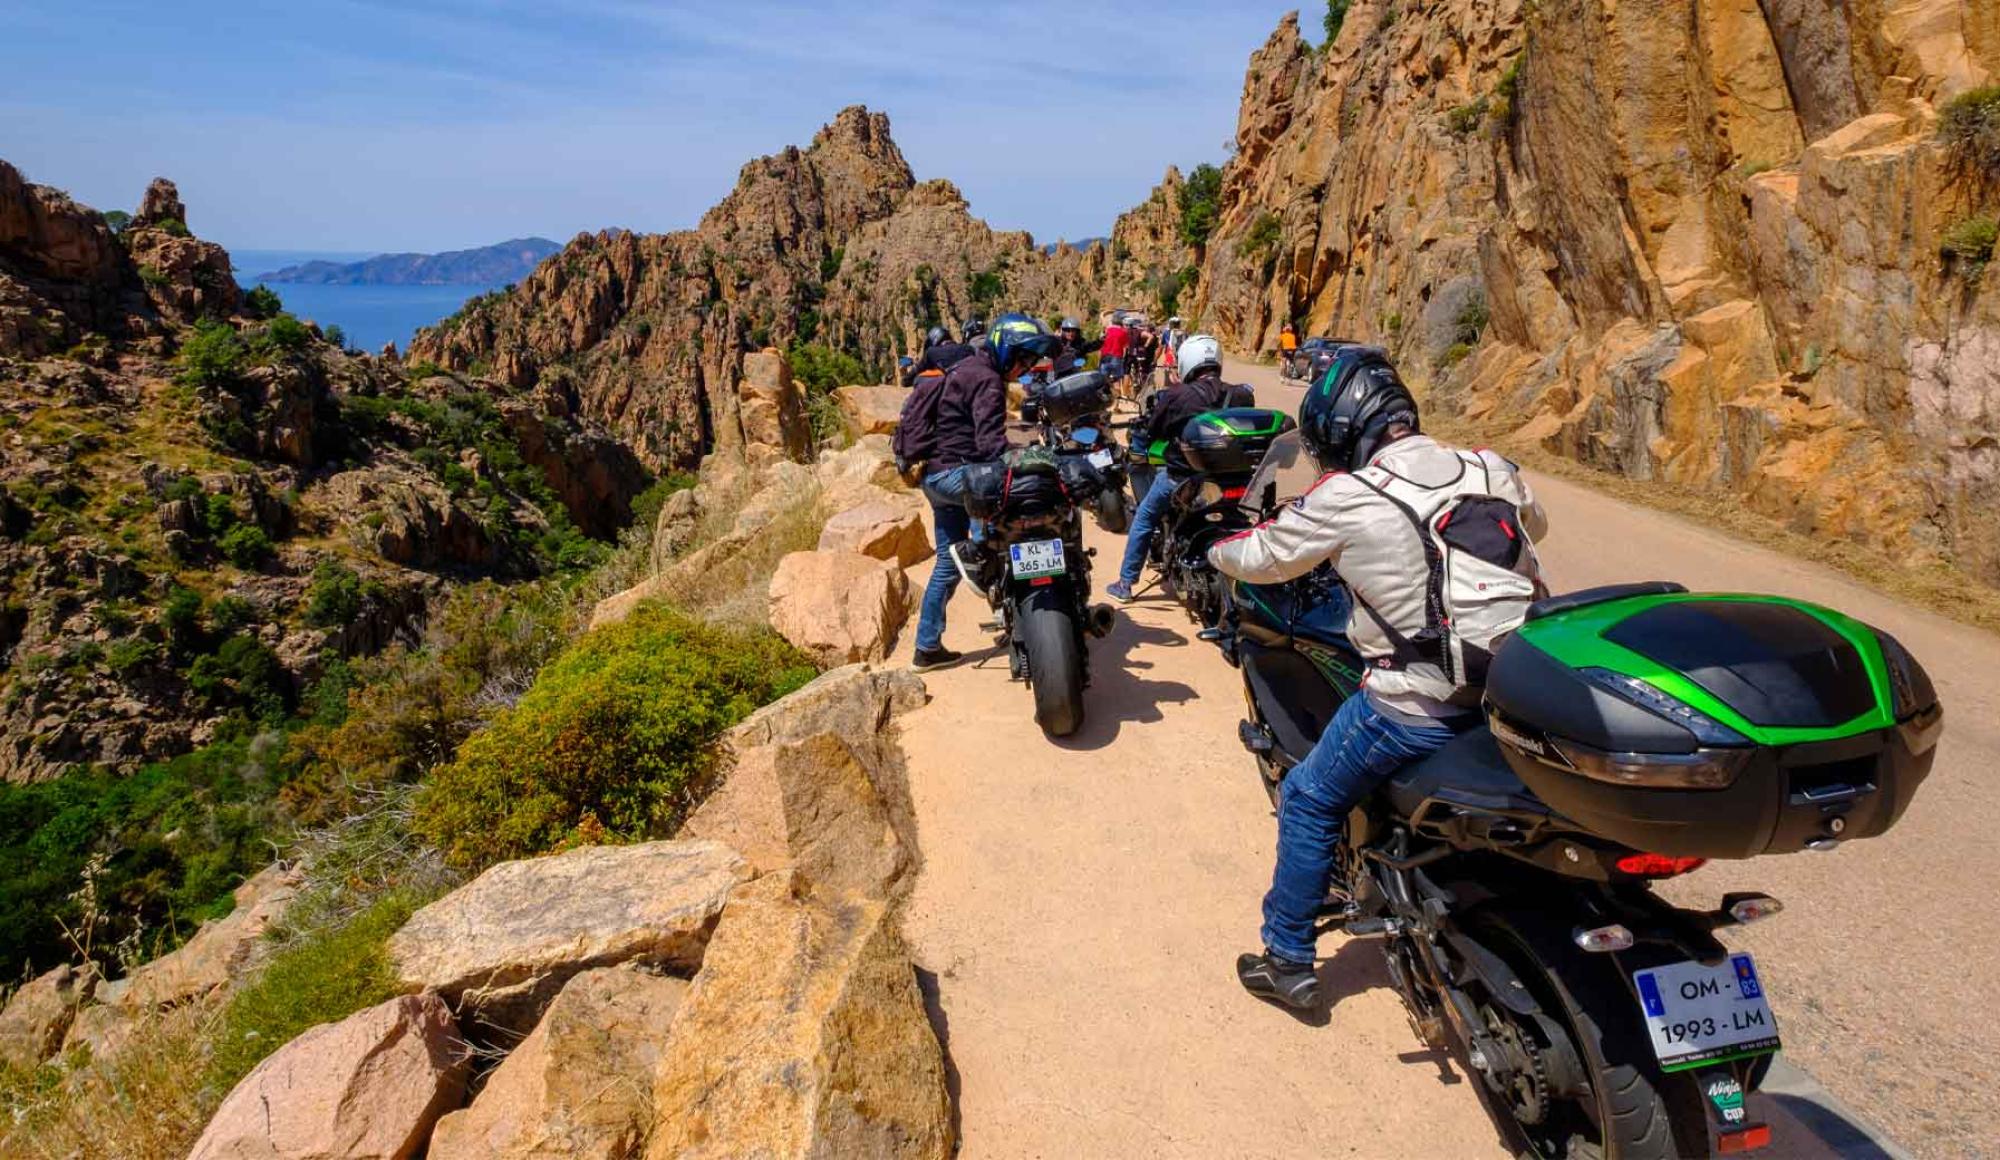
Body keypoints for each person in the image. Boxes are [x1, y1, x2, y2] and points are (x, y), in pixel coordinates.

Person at [1206, 350, 1548, 1010]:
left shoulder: (1348, 494)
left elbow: (1264, 557)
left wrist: (1215, 547)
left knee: (1309, 796)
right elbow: (1535, 527)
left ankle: (1287, 958)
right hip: (1518, 691)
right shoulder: (1491, 467)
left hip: (1418, 708)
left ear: (1341, 432)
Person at [907, 313, 1063, 671]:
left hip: (935, 477)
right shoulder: (988, 380)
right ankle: (985, 564)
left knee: (946, 562)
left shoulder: (968, 367)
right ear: (1006, 351)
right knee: (1017, 506)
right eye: (1023, 359)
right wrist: (1030, 456)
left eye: (1031, 362)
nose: (1026, 368)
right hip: (958, 475)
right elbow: (990, 445)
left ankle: (926, 648)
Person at [1105, 334, 1251, 603]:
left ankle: (1125, 583)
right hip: (1233, 479)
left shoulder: (1177, 395)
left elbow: (1153, 430)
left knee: (1145, 516)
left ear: (1187, 362)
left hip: (1183, 479)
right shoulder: (1241, 394)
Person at [901, 325, 973, 386]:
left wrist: (905, 380)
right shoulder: (968, 348)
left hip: (953, 392)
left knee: (919, 380)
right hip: (972, 387)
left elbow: (913, 373)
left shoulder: (932, 352)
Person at [1099, 312, 1130, 388]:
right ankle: (1118, 394)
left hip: (1105, 357)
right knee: (1116, 381)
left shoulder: (1106, 330)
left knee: (1103, 381)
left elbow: (1100, 344)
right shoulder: (1124, 332)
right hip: (1117, 357)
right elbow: (1126, 347)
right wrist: (1123, 359)